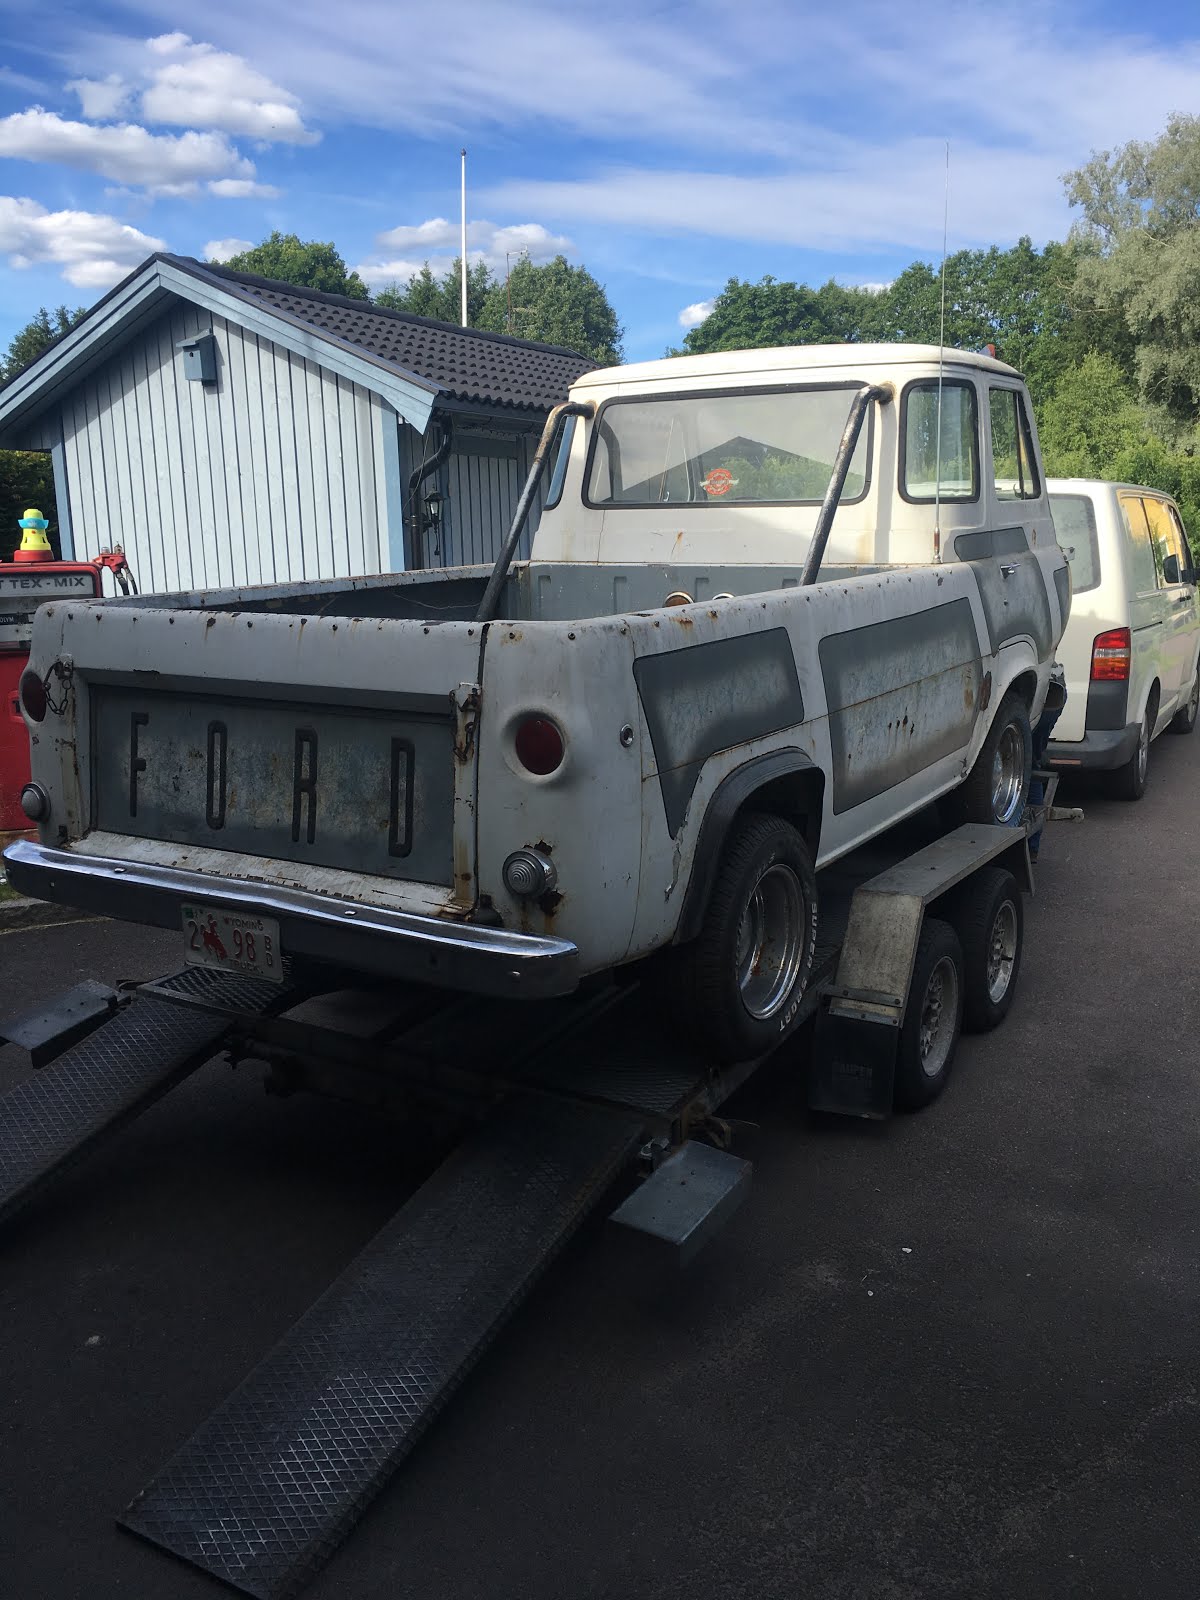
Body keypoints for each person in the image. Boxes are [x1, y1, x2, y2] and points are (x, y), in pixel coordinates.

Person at [1027, 664, 1066, 860]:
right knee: (1030, 764)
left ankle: (1028, 843)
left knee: (1024, 765)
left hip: (1040, 692)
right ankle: (1031, 846)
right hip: (1053, 689)